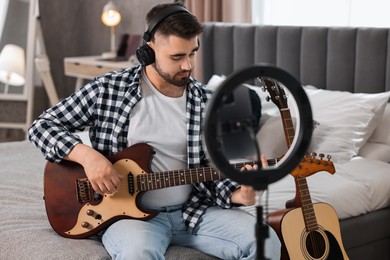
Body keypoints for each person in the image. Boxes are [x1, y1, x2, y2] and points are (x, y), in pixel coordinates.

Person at [28, 3, 266, 259]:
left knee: (264, 241)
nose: (188, 65)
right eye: (177, 57)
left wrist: (238, 193)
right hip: (129, 217)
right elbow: (42, 126)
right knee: (138, 253)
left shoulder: (208, 102)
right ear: (149, 49)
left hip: (194, 211)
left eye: (193, 53)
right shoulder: (109, 90)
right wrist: (88, 157)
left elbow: (212, 169)